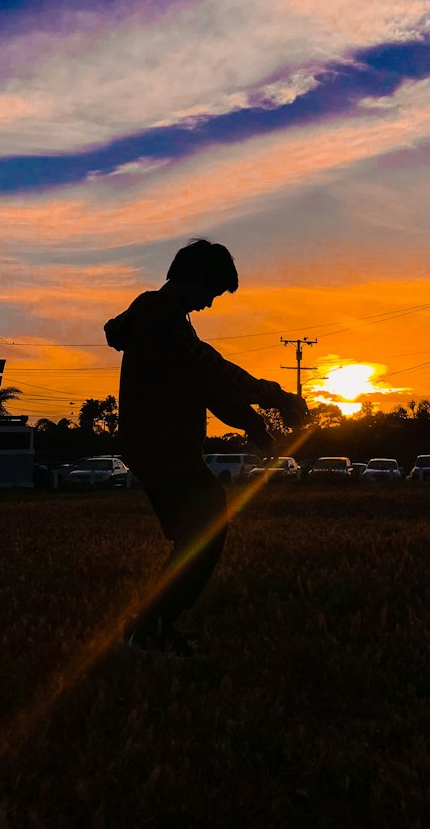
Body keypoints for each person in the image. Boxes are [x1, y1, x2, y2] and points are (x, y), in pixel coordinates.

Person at [104, 238, 308, 654]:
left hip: (161, 446)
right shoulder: (162, 321)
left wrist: (257, 430)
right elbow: (216, 374)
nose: (209, 304)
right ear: (194, 278)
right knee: (203, 534)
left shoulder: (158, 319)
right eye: (211, 293)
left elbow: (208, 389)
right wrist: (279, 398)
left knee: (195, 536)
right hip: (161, 446)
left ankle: (151, 628)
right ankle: (148, 632)